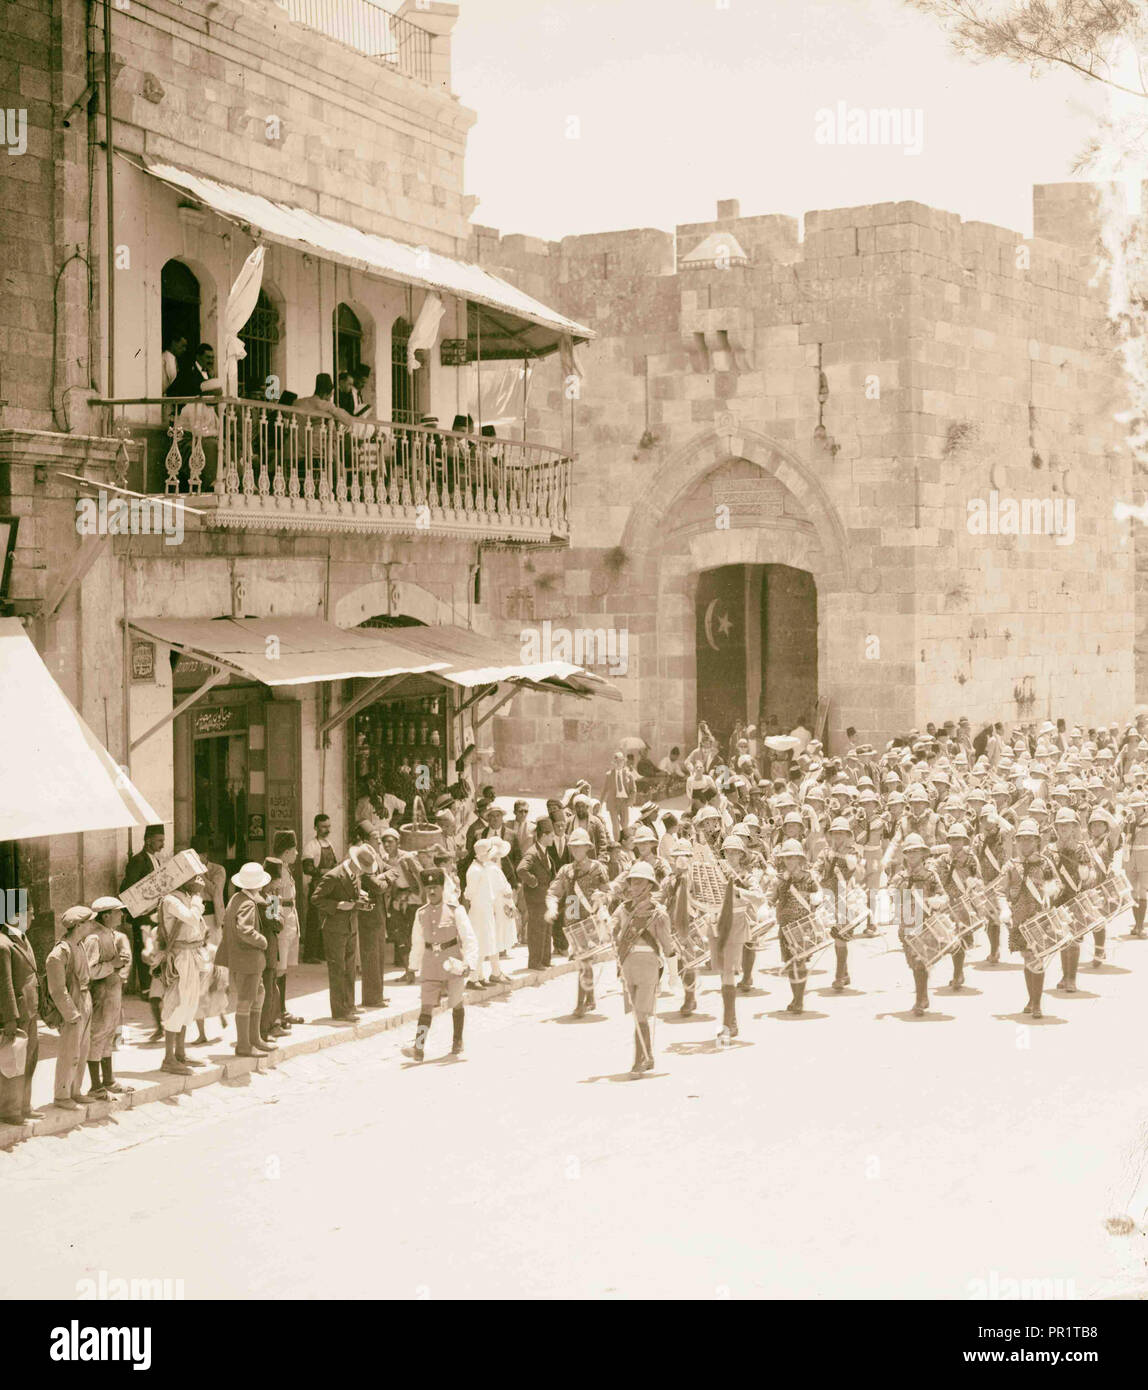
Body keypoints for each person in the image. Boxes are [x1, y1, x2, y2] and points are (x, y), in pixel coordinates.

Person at [407, 869, 479, 1063]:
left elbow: (469, 938)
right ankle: (419, 1047)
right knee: (426, 1006)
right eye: (428, 888)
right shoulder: (420, 913)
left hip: (453, 963)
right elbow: (418, 941)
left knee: (456, 1002)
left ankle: (457, 1040)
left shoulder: (456, 910)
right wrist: (413, 966)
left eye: (435, 888)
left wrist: (470, 963)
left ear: (442, 888)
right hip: (430, 963)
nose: (431, 892)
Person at [612, 862, 676, 1075]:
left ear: (649, 885)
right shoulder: (623, 909)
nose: (633, 886)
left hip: (649, 966)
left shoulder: (659, 914)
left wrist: (673, 974)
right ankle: (648, 1057)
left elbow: (668, 946)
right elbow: (610, 928)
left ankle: (639, 1061)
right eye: (631, 881)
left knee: (641, 1014)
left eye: (638, 882)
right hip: (627, 965)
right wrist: (604, 922)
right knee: (637, 1015)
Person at [547, 827, 610, 1017]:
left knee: (584, 961)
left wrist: (603, 898)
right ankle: (590, 998)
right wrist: (551, 907)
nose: (575, 850)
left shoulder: (597, 868)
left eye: (579, 846)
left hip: (591, 919)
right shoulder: (566, 870)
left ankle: (580, 1003)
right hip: (573, 921)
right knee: (585, 960)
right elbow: (553, 892)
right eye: (573, 847)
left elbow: (608, 891)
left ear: (587, 847)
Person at [1002, 819, 1060, 1020]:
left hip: (1040, 918)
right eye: (1022, 839)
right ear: (1016, 842)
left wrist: (1049, 892)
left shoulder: (1045, 863)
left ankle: (1037, 1003)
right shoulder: (1011, 866)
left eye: (1029, 839)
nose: (1025, 843)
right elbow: (1001, 892)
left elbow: (1057, 885)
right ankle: (1031, 998)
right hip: (1019, 920)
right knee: (1027, 958)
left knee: (1037, 958)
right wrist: (1004, 909)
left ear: (1037, 841)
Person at [311, 844, 377, 1021]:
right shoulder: (333, 876)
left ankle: (349, 1005)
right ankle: (340, 1011)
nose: (363, 872)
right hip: (334, 929)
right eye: (363, 868)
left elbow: (352, 895)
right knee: (338, 969)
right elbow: (316, 898)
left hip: (350, 927)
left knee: (349, 969)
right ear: (355, 863)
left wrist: (360, 900)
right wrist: (336, 905)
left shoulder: (354, 875)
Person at [155, 871, 210, 1076]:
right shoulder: (170, 900)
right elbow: (191, 918)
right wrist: (197, 898)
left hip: (192, 954)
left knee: (189, 1004)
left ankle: (180, 1053)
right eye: (193, 876)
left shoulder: (186, 897)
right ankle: (169, 1058)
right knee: (176, 1004)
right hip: (180, 957)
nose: (198, 880)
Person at [217, 861, 274, 1058]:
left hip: (240, 958)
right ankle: (244, 1045)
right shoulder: (248, 903)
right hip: (248, 959)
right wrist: (262, 941)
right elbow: (245, 929)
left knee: (258, 993)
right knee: (246, 1000)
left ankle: (255, 1039)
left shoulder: (236, 898)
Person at [888, 833, 949, 1017]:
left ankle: (920, 999)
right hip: (906, 924)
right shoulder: (899, 876)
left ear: (923, 854)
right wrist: (889, 895)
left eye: (916, 852)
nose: (912, 855)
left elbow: (944, 896)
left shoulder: (930, 876)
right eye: (909, 852)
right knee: (913, 963)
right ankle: (922, 996)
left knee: (919, 961)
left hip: (925, 923)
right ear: (905, 855)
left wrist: (936, 900)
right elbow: (890, 892)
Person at [45, 906, 95, 1110]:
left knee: (83, 1050)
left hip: (85, 999)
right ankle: (62, 1095)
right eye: (88, 921)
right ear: (78, 925)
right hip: (73, 1005)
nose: (92, 924)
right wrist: (71, 1015)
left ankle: (75, 1091)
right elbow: (57, 989)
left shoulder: (80, 945)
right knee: (69, 1051)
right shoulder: (59, 953)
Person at [83, 897, 132, 1099]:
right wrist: (113, 965)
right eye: (118, 911)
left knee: (109, 1035)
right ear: (106, 915)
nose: (122, 915)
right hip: (101, 994)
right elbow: (89, 971)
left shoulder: (109, 934)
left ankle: (108, 1080)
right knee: (98, 1036)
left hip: (111, 993)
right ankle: (96, 1086)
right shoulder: (94, 938)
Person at [0, 902, 42, 1126]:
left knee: (30, 1060)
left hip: (30, 1011)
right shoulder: (3, 944)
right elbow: (4, 985)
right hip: (17, 1015)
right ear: (16, 915)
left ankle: (25, 1105)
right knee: (13, 1062)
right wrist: (10, 1018)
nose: (33, 918)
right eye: (31, 913)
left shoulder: (22, 938)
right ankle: (10, 1110)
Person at [119, 823, 166, 1020]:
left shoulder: (155, 859)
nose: (163, 845)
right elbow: (128, 888)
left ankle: (152, 987)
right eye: (159, 841)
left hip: (154, 914)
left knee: (152, 949)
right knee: (144, 950)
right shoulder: (137, 861)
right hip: (143, 915)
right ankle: (146, 988)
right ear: (148, 841)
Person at [465, 838, 515, 987]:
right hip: (479, 909)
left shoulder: (482, 868)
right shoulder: (474, 870)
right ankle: (473, 978)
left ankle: (479, 976)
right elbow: (470, 892)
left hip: (486, 908)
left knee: (485, 941)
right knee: (479, 942)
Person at [267, 830, 303, 1026]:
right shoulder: (276, 869)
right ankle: (275, 1014)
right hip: (281, 922)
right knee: (278, 970)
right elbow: (272, 896)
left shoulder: (286, 868)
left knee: (284, 970)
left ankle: (282, 1010)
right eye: (294, 850)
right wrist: (275, 921)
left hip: (290, 919)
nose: (297, 853)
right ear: (287, 851)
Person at [518, 817, 559, 971]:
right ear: (543, 835)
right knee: (537, 930)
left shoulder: (544, 852)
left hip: (545, 899)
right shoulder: (532, 853)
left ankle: (545, 960)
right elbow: (521, 870)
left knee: (546, 929)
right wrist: (533, 882)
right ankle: (535, 962)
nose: (553, 837)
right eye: (551, 835)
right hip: (536, 900)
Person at [301, 813, 337, 962]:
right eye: (323, 827)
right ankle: (310, 954)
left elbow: (334, 863)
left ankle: (322, 953)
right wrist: (322, 871)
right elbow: (306, 868)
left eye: (328, 826)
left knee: (326, 920)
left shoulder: (330, 844)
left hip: (329, 886)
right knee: (314, 920)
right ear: (316, 827)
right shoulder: (311, 846)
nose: (326, 829)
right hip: (316, 886)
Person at [600, 749, 639, 838]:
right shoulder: (609, 775)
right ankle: (617, 843)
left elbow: (633, 789)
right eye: (616, 761)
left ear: (624, 762)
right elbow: (604, 790)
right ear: (613, 762)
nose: (618, 764)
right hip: (613, 802)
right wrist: (600, 803)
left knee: (625, 825)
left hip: (624, 802)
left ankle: (625, 841)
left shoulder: (628, 774)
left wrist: (630, 801)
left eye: (621, 761)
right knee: (615, 825)